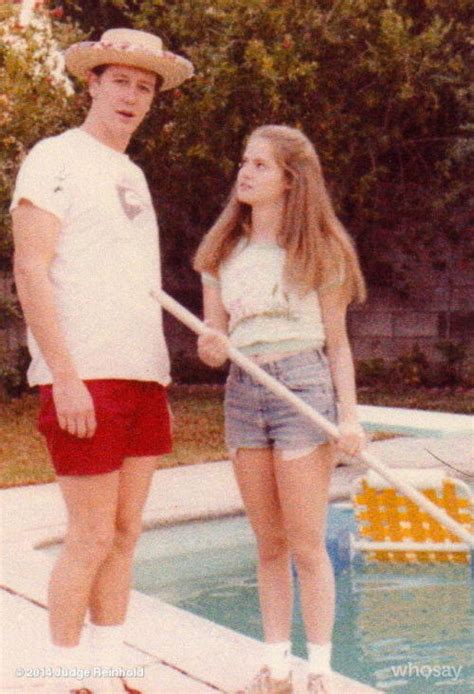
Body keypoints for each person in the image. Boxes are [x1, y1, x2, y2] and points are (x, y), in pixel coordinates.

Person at [11, 28, 193, 694]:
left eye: (145, 87)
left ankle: (109, 667)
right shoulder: (56, 157)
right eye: (120, 81)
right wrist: (65, 375)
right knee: (88, 536)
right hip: (83, 375)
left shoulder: (132, 174)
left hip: (142, 375)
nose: (132, 96)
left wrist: (163, 374)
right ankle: (64, 678)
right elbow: (31, 266)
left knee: (124, 531)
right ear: (92, 83)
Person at [194, 125, 366, 694]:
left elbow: (337, 344)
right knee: (268, 544)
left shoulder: (321, 250)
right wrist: (212, 346)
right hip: (244, 392)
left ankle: (318, 672)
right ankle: (276, 670)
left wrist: (350, 417)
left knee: (306, 542)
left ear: (291, 180)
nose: (245, 172)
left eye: (260, 165)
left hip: (303, 387)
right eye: (244, 162)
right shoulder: (222, 252)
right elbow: (212, 341)